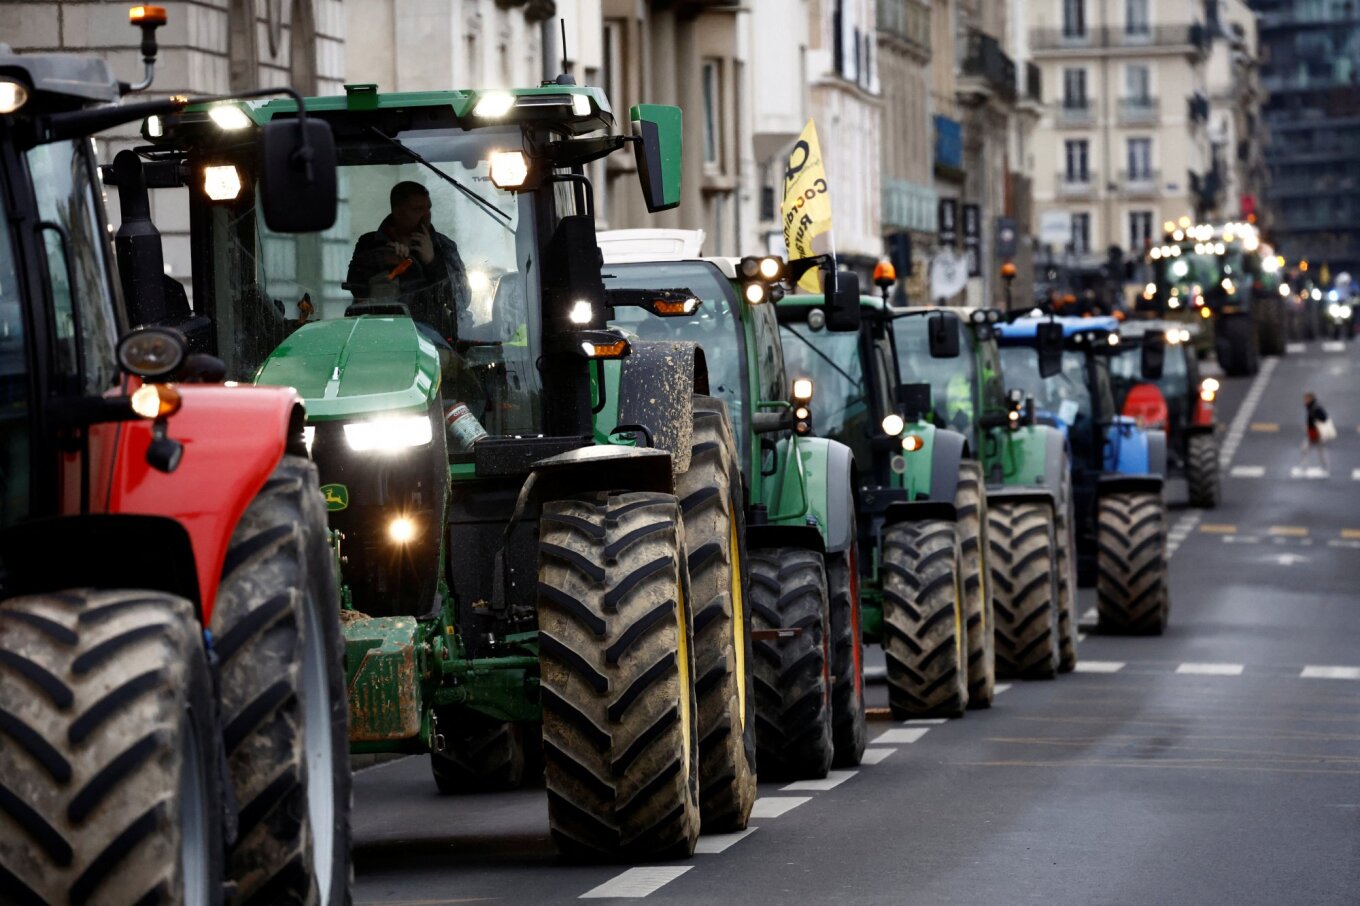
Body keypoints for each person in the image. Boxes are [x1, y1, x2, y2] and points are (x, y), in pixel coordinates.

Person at [346, 181, 471, 341]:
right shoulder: (369, 244)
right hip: (378, 338)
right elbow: (355, 286)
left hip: (434, 341)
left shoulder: (444, 246)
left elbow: (462, 298)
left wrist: (432, 262)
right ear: (398, 212)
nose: (427, 215)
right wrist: (384, 261)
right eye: (418, 209)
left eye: (428, 208)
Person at [1294, 391, 1331, 477]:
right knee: (1317, 450)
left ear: (1310, 399)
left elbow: (1324, 418)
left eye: (1306, 399)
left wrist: (1314, 423)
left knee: (1308, 449)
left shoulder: (1315, 407)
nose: (1304, 401)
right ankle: (1324, 469)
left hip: (1317, 433)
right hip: (1313, 432)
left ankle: (1306, 469)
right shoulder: (1310, 407)